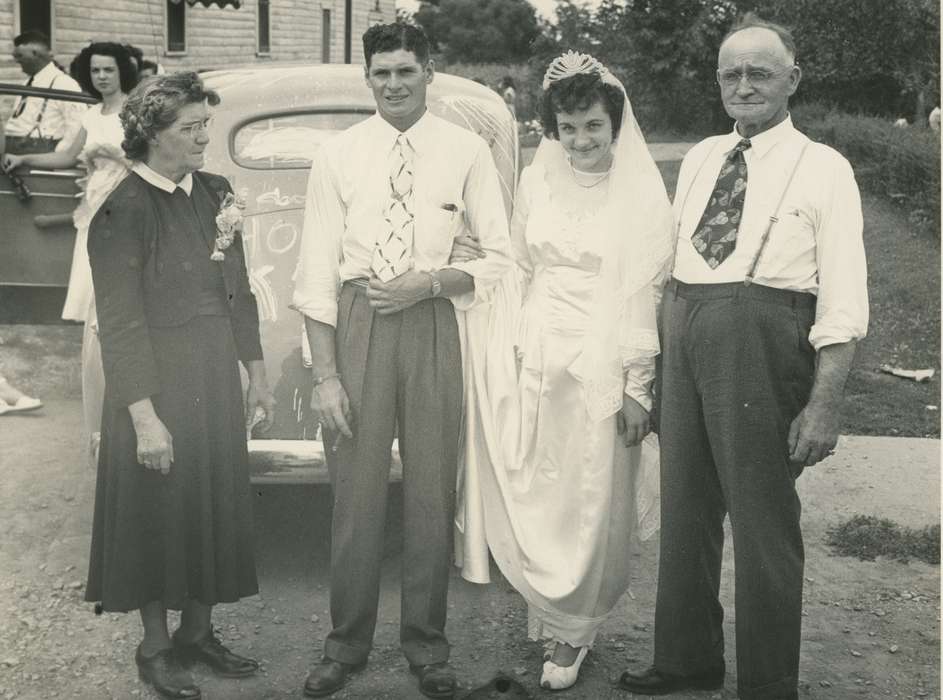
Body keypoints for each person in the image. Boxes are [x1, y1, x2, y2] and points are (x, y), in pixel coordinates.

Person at [619, 14, 868, 700]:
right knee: (686, 510)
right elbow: (664, 262)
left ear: (792, 79)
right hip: (686, 327)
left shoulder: (824, 169)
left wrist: (824, 401)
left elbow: (843, 296)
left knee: (762, 521)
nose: (743, 85)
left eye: (759, 72)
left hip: (760, 338)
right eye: (730, 73)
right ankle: (685, 660)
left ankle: (767, 681)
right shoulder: (701, 156)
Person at [293, 22, 512, 699]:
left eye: (405, 71)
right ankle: (345, 644)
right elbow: (313, 275)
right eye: (381, 72)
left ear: (429, 71)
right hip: (359, 323)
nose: (393, 83)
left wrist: (434, 281)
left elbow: (502, 258)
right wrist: (326, 375)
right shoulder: (338, 154)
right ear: (367, 77)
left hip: (433, 322)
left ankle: (426, 645)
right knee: (355, 497)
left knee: (427, 493)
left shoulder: (465, 150)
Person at [450, 51, 674, 691]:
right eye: (568, 128)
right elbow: (517, 262)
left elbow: (643, 291)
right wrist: (479, 269)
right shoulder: (536, 180)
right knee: (542, 487)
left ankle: (575, 631)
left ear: (615, 125)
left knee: (592, 492)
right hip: (537, 346)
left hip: (602, 354)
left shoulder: (638, 192)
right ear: (553, 128)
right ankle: (551, 613)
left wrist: (636, 386)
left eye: (593, 127)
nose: (580, 141)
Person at [84, 72, 275, 700]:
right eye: (190, 128)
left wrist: (255, 372)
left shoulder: (215, 192)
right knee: (157, 511)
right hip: (155, 388)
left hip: (212, 380)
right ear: (152, 134)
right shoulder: (121, 211)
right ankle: (156, 646)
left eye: (204, 124)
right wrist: (143, 417)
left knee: (211, 503)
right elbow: (119, 324)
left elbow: (237, 291)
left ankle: (198, 632)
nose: (203, 137)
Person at [4, 41, 137, 461]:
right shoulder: (90, 114)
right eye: (95, 71)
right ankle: (103, 396)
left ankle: (132, 390)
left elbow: (148, 159)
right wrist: (21, 160)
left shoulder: (134, 112)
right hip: (95, 212)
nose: (101, 77)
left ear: (122, 72)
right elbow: (65, 156)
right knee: (95, 311)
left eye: (109, 71)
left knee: (123, 302)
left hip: (130, 212)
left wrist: (113, 152)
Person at [3, 31, 85, 155]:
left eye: (19, 56)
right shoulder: (26, 83)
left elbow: (77, 127)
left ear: (35, 54)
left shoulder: (63, 83)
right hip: (12, 150)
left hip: (38, 153)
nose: (16, 61)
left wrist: (56, 156)